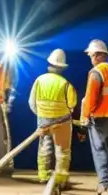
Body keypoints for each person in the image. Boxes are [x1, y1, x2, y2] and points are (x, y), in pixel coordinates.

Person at [79, 39, 108, 195]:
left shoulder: (97, 72)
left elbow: (90, 98)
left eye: (91, 55)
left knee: (100, 150)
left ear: (98, 55)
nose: (91, 58)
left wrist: (85, 118)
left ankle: (105, 185)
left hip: (100, 118)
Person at [29, 48, 79, 186]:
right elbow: (72, 104)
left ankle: (43, 176)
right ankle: (61, 180)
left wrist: (41, 114)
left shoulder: (39, 80)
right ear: (62, 68)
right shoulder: (66, 84)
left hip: (43, 120)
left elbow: (31, 102)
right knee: (62, 150)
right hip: (62, 121)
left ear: (49, 65)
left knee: (44, 148)